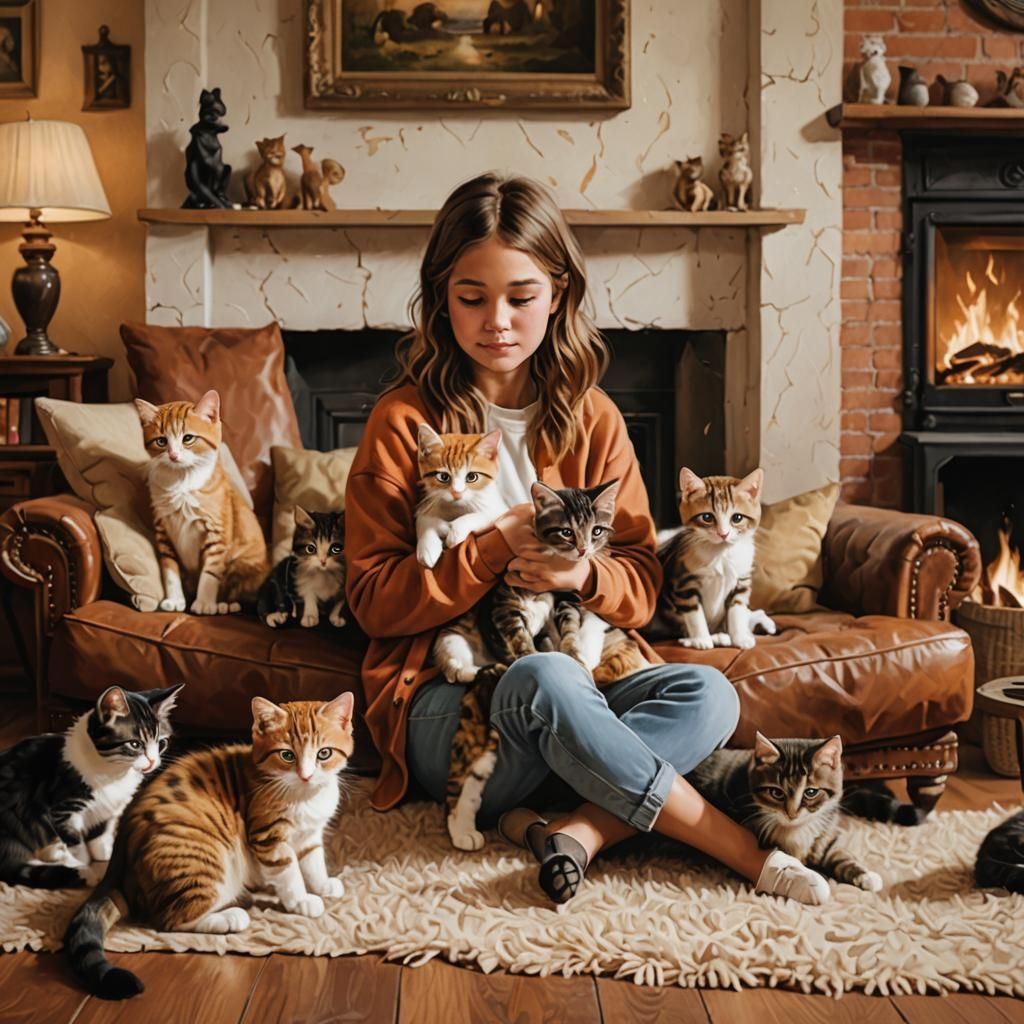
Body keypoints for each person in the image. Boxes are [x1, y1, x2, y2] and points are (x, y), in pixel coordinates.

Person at [343, 171, 830, 906]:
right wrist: (494, 545)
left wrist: (576, 578)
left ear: (560, 293)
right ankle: (740, 850)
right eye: (471, 298)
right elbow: (375, 604)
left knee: (710, 697)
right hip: (454, 703)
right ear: (442, 297)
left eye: (521, 297)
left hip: (586, 686)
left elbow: (639, 583)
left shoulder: (593, 417)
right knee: (547, 677)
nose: (496, 321)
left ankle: (573, 830)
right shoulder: (404, 421)